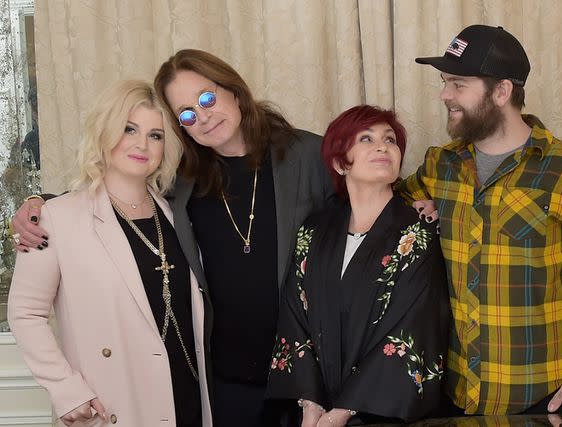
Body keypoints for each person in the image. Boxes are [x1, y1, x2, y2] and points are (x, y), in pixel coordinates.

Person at [12, 49, 335, 426]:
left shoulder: (309, 156)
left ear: (234, 90)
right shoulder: (185, 182)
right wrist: (40, 204)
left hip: (302, 380)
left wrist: (420, 201)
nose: (203, 116)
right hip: (220, 385)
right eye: (186, 114)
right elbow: (106, 204)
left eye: (208, 98)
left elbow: (367, 209)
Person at [397, 25, 562, 415]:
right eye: (444, 82)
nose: (444, 95)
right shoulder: (440, 165)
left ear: (501, 92)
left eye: (458, 84)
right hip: (456, 394)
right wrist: (420, 204)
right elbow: (399, 199)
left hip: (543, 396)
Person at [8, 80, 212, 426]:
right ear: (105, 132)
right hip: (116, 402)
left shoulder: (179, 213)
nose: (142, 144)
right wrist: (65, 389)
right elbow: (25, 312)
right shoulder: (56, 218)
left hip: (187, 396)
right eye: (129, 129)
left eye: (155, 135)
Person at [266, 105, 450, 426]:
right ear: (340, 163)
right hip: (317, 412)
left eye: (390, 140)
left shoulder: (417, 230)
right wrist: (311, 406)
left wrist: (343, 411)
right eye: (366, 139)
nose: (383, 146)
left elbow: (413, 325)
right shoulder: (314, 229)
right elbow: (296, 315)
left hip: (380, 413)